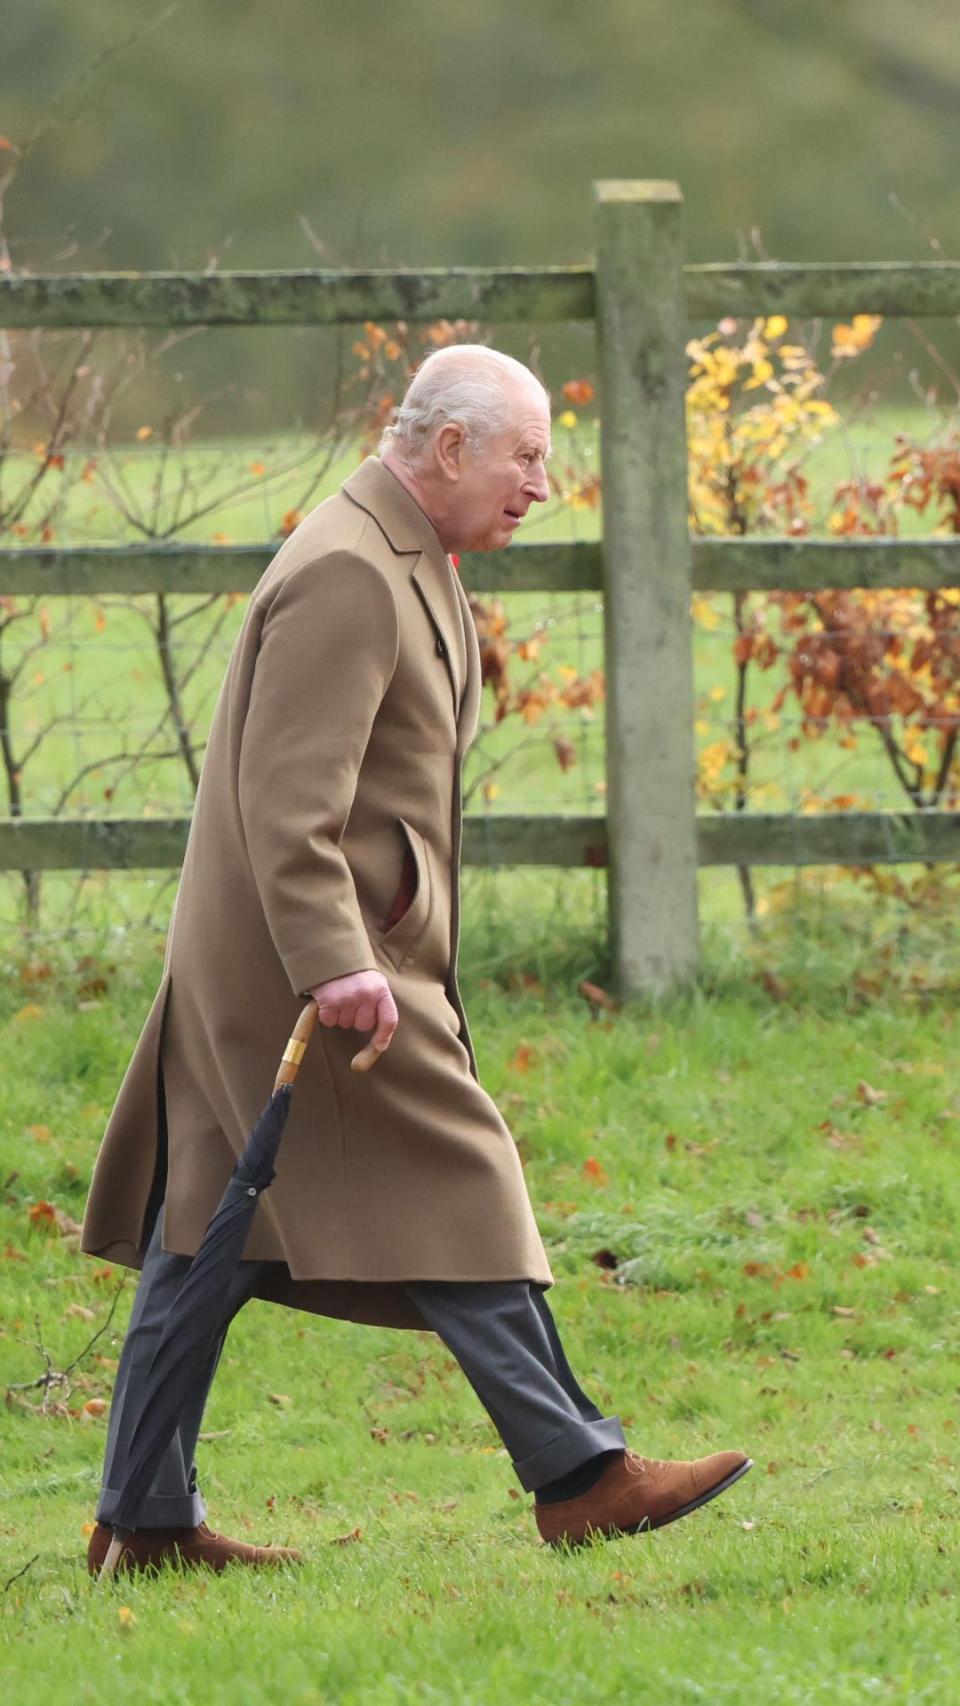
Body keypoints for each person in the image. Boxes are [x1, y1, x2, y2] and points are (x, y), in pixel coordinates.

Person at [82, 344, 751, 1574]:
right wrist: (340, 959)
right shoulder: (347, 571)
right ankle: (579, 1471)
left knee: (206, 1233)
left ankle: (145, 1518)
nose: (542, 483)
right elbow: (288, 806)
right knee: (462, 1175)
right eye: (527, 456)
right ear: (449, 449)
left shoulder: (405, 552)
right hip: (314, 970)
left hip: (328, 954)